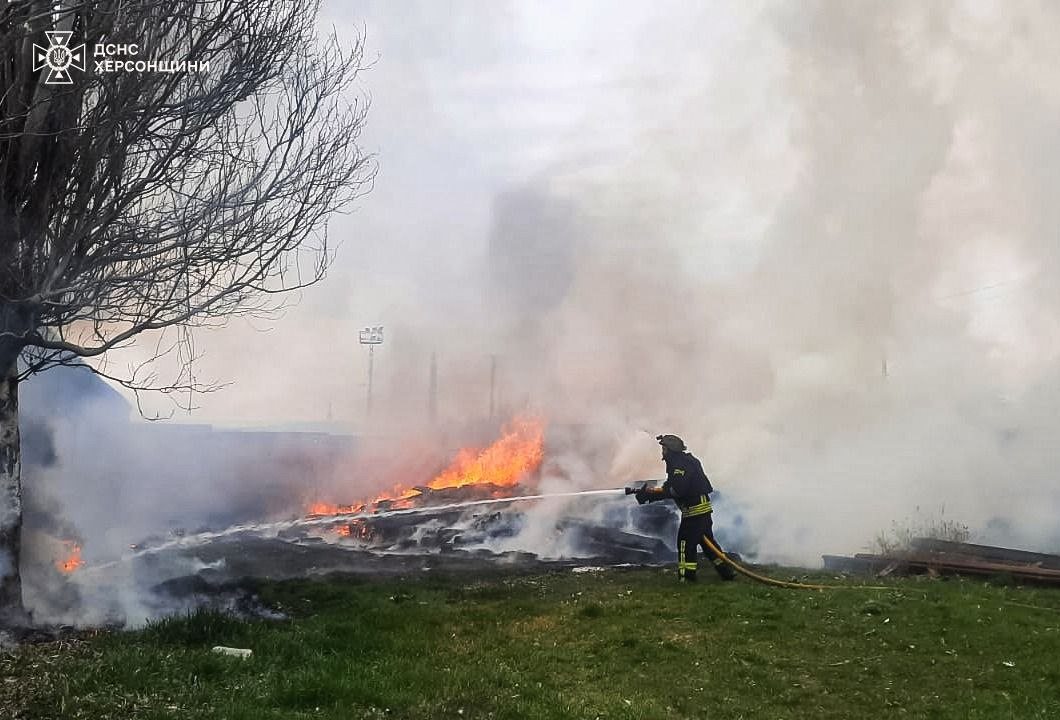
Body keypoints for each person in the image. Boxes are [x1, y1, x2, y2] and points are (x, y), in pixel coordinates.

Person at [633, 434, 736, 582]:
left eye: (664, 448)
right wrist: (650, 495)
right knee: (708, 545)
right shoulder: (682, 462)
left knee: (685, 543)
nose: (662, 452)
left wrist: (654, 494)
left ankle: (687, 578)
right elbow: (670, 486)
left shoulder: (680, 465)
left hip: (695, 511)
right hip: (701, 509)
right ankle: (726, 572)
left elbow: (677, 490)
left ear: (671, 449)